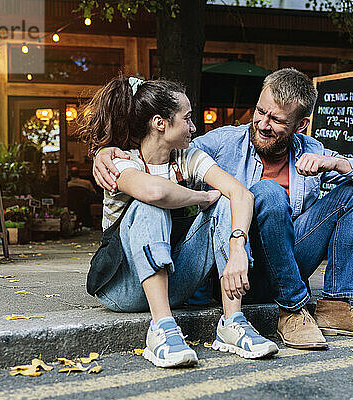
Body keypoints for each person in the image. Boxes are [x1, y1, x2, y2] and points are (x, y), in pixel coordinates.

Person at [93, 68, 353, 350]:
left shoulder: (312, 151)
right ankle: (293, 310)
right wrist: (105, 153)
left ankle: (338, 306)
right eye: (260, 112)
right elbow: (164, 148)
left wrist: (337, 162)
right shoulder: (223, 142)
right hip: (240, 270)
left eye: (278, 120)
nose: (263, 125)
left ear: (302, 124)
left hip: (288, 260)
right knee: (264, 192)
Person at [79, 76, 278, 368]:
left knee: (224, 201)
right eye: (186, 119)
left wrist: (237, 248)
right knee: (151, 206)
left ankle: (232, 322)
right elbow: (154, 191)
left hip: (175, 280)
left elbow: (242, 194)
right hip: (122, 287)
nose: (193, 127)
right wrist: (199, 198)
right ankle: (162, 328)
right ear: (160, 123)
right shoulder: (121, 161)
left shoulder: (188, 157)